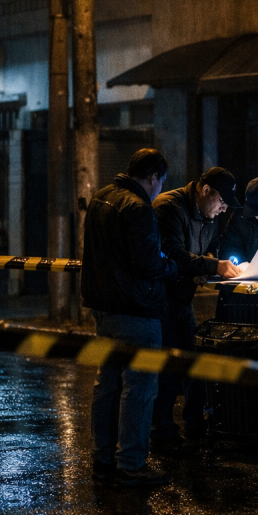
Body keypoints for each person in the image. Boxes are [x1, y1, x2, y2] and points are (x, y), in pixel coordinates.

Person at [81, 148, 177, 487]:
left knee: (107, 384)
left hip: (104, 307)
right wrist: (172, 266)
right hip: (136, 310)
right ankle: (132, 464)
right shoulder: (138, 207)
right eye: (161, 182)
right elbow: (148, 263)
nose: (160, 188)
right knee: (139, 388)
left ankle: (103, 458)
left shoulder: (101, 198)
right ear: (153, 177)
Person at [151, 167, 242, 451]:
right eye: (222, 201)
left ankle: (195, 424)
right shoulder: (169, 207)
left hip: (183, 298)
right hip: (161, 298)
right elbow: (173, 254)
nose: (224, 209)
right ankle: (162, 432)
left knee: (194, 361)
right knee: (167, 368)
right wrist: (212, 266)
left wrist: (208, 263)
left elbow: (211, 247)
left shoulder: (208, 214)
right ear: (205, 191)